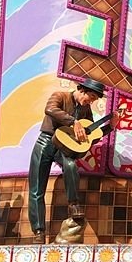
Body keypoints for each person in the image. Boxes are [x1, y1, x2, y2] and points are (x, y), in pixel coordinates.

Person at [27, 77, 109, 244]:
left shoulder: (86, 110)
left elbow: (91, 135)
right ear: (81, 90)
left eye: (94, 100)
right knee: (36, 190)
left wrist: (111, 126)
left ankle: (73, 204)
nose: (90, 102)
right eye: (90, 97)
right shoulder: (60, 96)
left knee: (70, 165)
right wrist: (74, 122)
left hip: (64, 147)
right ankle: (38, 232)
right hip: (46, 142)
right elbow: (50, 109)